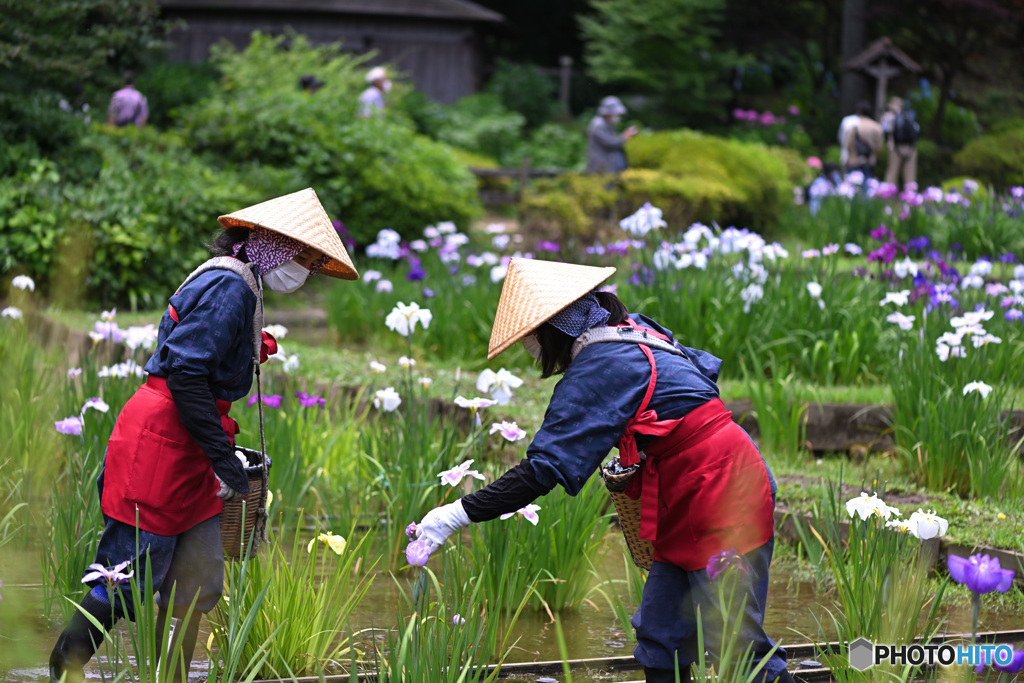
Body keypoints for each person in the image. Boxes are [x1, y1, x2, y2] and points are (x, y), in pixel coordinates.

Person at [415, 259, 792, 683]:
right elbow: (695, 383)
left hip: (724, 490)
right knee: (659, 634)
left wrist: (455, 515)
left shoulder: (601, 364)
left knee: (735, 641)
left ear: (554, 330)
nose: (532, 349)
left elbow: (542, 470)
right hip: (687, 488)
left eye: (533, 337)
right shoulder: (635, 330)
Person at [48, 188, 359, 683]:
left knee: (197, 579)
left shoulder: (245, 283)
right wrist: (224, 460)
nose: (305, 270)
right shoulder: (229, 287)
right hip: (164, 438)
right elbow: (186, 375)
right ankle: (63, 669)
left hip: (193, 437)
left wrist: (218, 455)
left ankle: (170, 677)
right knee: (125, 573)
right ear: (270, 243)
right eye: (302, 256)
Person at [586, 96, 638, 174]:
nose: (617, 116)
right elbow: (610, 143)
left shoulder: (607, 123)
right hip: (601, 165)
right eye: (615, 114)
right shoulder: (598, 125)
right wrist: (624, 137)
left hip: (608, 164)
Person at [880, 96, 919, 188]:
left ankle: (888, 196)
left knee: (892, 174)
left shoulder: (888, 116)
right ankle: (911, 198)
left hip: (895, 148)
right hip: (911, 149)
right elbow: (917, 130)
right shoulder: (909, 116)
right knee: (910, 177)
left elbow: (883, 130)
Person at [842, 100, 883, 178]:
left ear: (859, 112)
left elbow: (848, 145)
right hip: (870, 162)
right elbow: (879, 148)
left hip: (854, 161)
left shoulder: (853, 127)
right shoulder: (877, 127)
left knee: (854, 187)